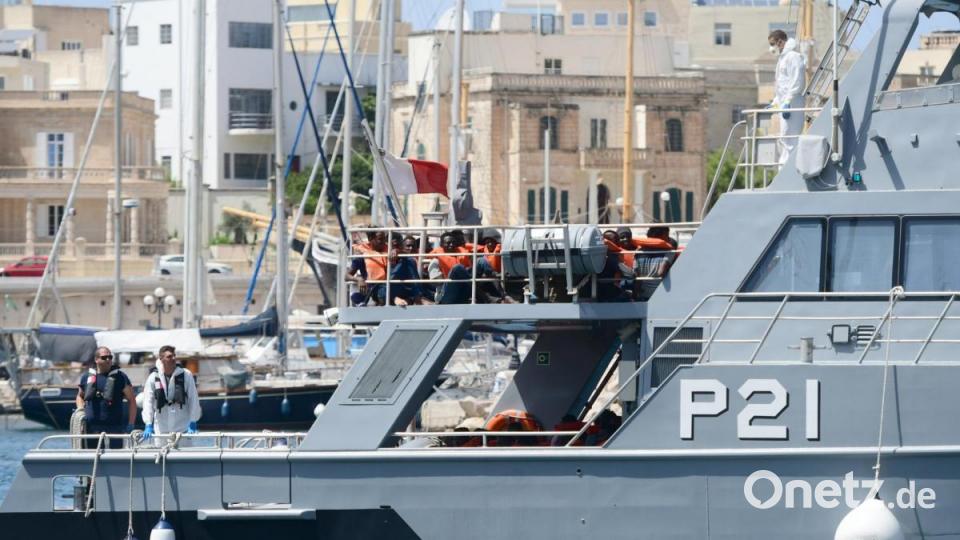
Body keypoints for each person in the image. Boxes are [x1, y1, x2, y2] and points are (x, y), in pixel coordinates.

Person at [75, 347, 137, 449]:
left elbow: (132, 400)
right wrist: (80, 410)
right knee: (91, 459)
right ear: (96, 360)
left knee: (115, 460)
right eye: (104, 357)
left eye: (110, 357)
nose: (108, 360)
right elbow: (80, 396)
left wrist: (131, 423)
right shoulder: (86, 377)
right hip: (91, 429)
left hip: (114, 429)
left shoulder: (121, 377)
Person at [141, 345, 201, 440]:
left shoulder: (186, 375)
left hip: (183, 430)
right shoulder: (153, 378)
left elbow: (193, 399)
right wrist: (148, 424)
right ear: (161, 359)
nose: (173, 358)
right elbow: (147, 402)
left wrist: (193, 421)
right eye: (169, 356)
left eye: (174, 356)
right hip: (161, 431)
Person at [768, 29, 805, 169]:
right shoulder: (783, 58)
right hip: (785, 103)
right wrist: (775, 102)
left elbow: (797, 81)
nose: (771, 47)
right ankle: (785, 168)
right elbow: (782, 84)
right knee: (784, 137)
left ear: (780, 42)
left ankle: (788, 169)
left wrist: (788, 101)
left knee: (790, 137)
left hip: (793, 103)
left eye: (772, 44)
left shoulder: (793, 57)